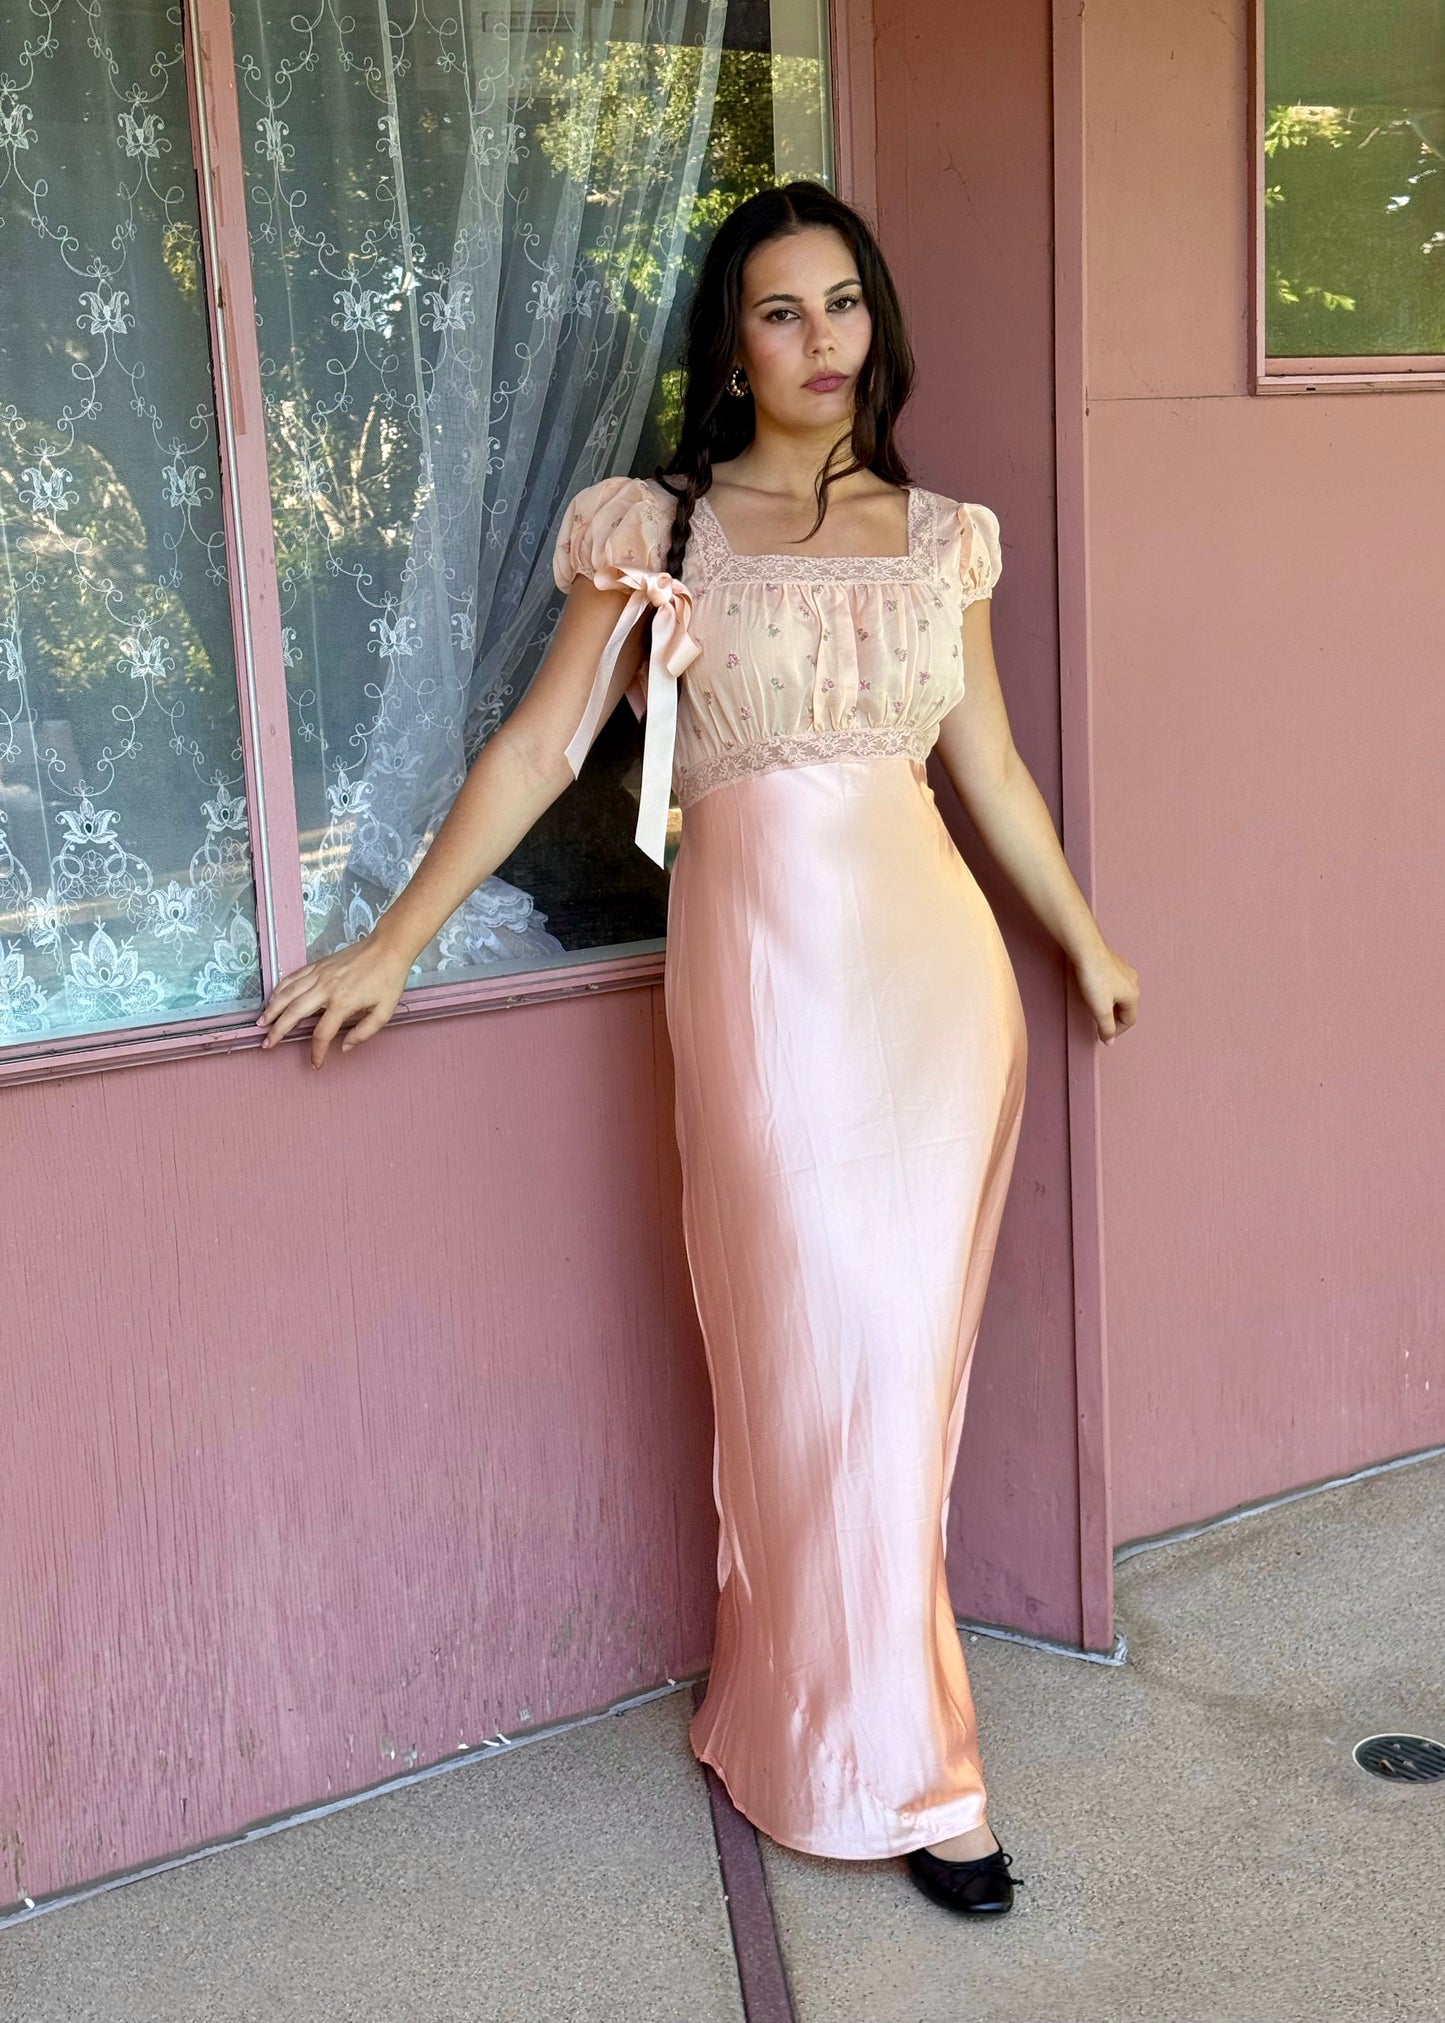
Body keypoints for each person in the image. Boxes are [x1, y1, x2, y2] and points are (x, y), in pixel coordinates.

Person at [256, 180, 1139, 1919]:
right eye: (779, 311)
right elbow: (537, 749)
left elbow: (987, 768)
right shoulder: (657, 529)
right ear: (730, 347)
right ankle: (810, 1726)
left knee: (898, 1375)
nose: (821, 340)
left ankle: (909, 1769)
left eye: (843, 303)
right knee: (810, 1363)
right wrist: (392, 941)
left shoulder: (939, 536)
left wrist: (1082, 940)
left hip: (938, 993)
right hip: (759, 994)